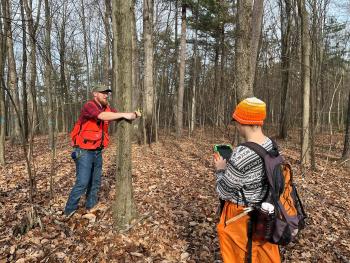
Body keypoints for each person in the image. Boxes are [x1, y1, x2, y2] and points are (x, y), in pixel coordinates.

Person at [213, 97, 280, 263]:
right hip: (266, 216)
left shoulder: (242, 154)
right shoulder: (271, 145)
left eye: (236, 121)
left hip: (242, 219)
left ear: (242, 122)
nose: (236, 126)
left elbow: (223, 191)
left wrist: (221, 169)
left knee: (240, 257)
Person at [64, 84, 141, 217]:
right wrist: (125, 114)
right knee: (82, 182)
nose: (106, 95)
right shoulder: (89, 106)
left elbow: (116, 115)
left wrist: (133, 114)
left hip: (97, 151)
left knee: (95, 181)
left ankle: (91, 206)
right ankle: (69, 211)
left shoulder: (106, 107)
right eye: (103, 92)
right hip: (83, 151)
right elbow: (102, 116)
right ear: (95, 94)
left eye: (107, 93)